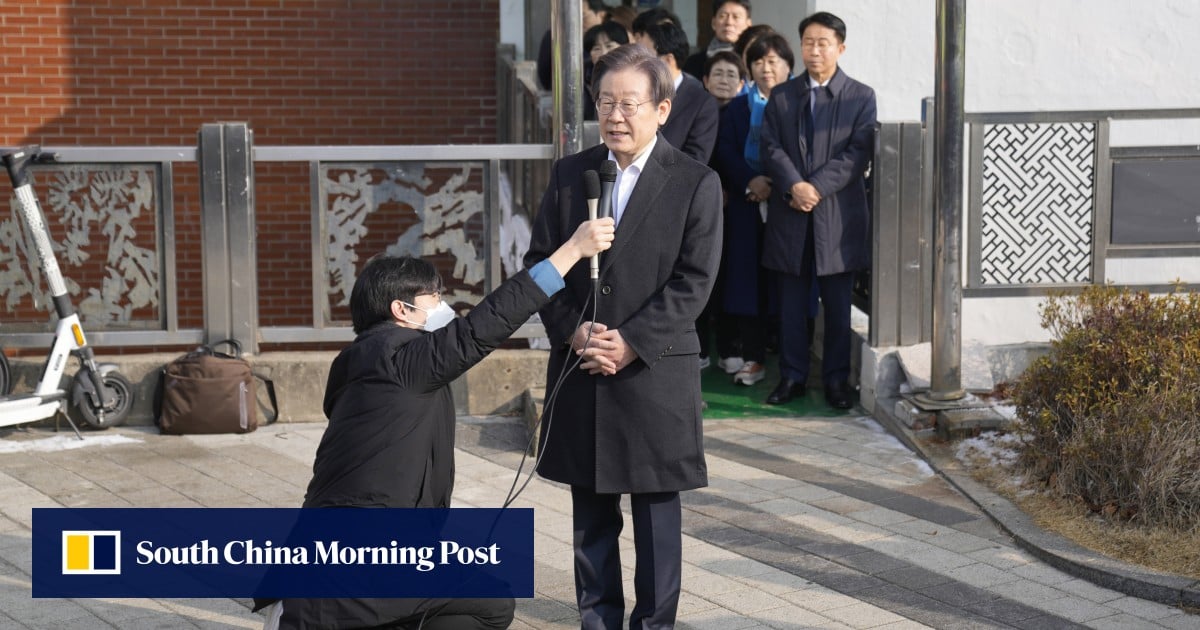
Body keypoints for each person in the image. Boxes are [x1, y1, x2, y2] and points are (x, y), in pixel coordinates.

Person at [255, 219, 615, 629]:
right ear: (401, 309)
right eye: (434, 296)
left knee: (456, 620)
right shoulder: (401, 358)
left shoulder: (366, 363)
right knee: (493, 600)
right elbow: (486, 324)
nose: (444, 306)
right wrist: (571, 250)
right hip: (348, 573)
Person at [523, 44, 722, 630]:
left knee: (657, 519)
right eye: (605, 103)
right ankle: (598, 621)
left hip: (652, 370)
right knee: (591, 516)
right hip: (583, 366)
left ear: (661, 109)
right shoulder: (572, 173)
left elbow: (696, 281)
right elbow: (542, 260)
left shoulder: (694, 182)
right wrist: (571, 330)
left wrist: (631, 340)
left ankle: (654, 624)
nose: (615, 116)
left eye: (629, 104)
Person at [760, 12, 876, 409]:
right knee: (791, 304)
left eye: (823, 42)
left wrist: (814, 188)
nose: (814, 49)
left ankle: (836, 381)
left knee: (838, 306)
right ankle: (791, 377)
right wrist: (795, 185)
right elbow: (770, 147)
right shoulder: (782, 95)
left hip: (837, 217)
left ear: (840, 48)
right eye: (808, 41)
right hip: (791, 212)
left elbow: (856, 153)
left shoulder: (861, 96)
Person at [713, 33, 794, 387]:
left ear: (788, 65)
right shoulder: (737, 107)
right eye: (759, 61)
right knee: (746, 280)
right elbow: (726, 150)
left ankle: (790, 362)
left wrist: (775, 183)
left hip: (788, 205)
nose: (766, 68)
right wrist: (751, 181)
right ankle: (753, 356)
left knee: (787, 283)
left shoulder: (799, 102)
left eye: (773, 60)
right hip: (746, 205)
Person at [635, 22, 719, 165]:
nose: (638, 62)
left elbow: (696, 158)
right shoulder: (635, 93)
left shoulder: (701, 102)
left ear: (668, 60)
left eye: (644, 56)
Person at [537, 0, 610, 91]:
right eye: (571, 16)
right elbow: (544, 75)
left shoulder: (613, 36)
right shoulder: (555, 36)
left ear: (601, 15)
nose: (575, 22)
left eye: (583, 16)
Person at [682, 0, 753, 80]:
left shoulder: (755, 61)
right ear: (713, 23)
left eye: (736, 17)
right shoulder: (694, 63)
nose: (729, 22)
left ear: (748, 24)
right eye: (723, 16)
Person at [584, 21, 630, 119]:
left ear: (625, 48)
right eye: (596, 48)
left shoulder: (637, 76)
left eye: (609, 46)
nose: (604, 53)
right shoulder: (582, 80)